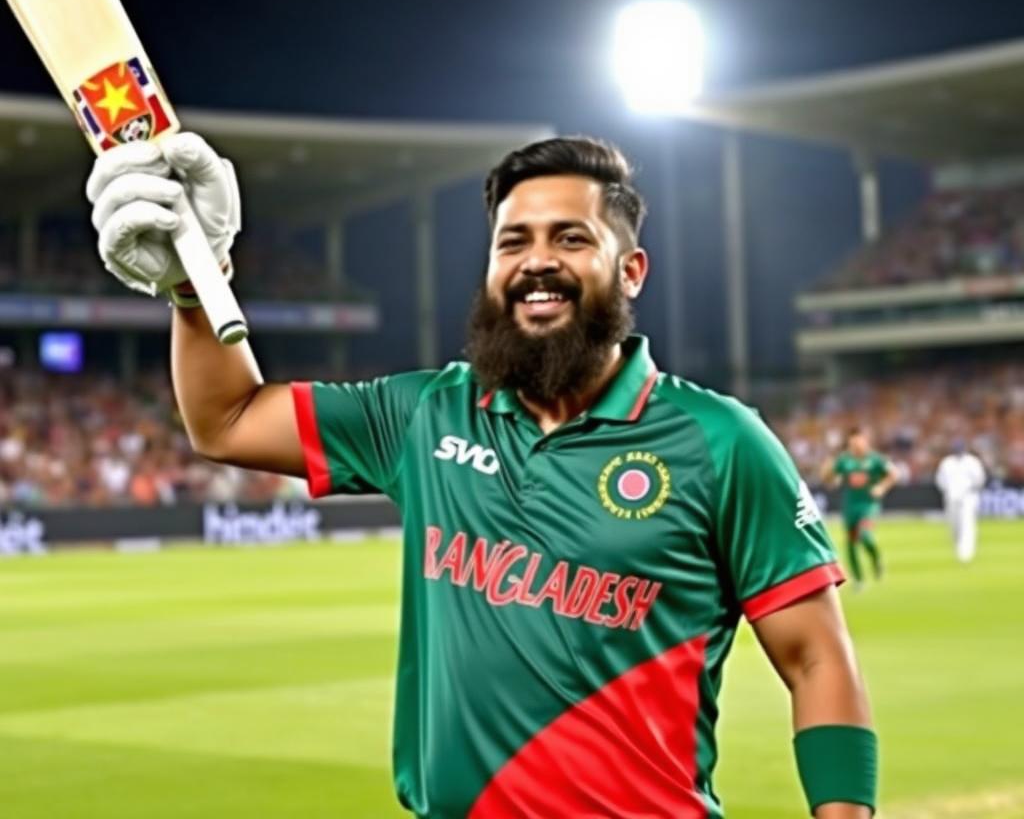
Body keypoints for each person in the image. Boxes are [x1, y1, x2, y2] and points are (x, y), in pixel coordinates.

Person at [86, 132, 878, 819]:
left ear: (630, 270)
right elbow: (225, 419)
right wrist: (195, 285)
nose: (538, 261)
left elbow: (816, 659)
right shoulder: (427, 415)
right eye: (513, 241)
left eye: (571, 239)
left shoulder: (720, 442)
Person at [820, 427, 898, 590]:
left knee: (865, 536)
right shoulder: (844, 460)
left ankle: (876, 558)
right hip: (850, 506)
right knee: (851, 543)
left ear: (865, 441)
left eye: (858, 441)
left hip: (868, 505)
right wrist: (828, 466)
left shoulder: (876, 460)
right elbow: (829, 479)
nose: (856, 445)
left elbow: (893, 474)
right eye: (853, 442)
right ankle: (858, 579)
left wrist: (881, 488)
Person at [934, 438, 986, 562]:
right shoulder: (947, 463)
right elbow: (940, 480)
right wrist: (947, 490)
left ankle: (966, 553)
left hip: (968, 497)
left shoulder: (972, 462)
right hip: (951, 497)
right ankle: (958, 548)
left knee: (967, 524)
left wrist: (971, 490)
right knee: (954, 526)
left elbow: (980, 479)